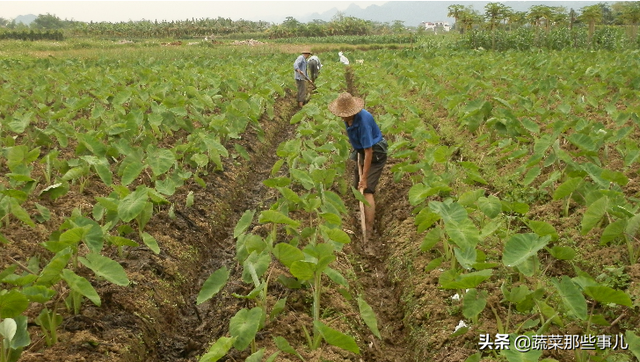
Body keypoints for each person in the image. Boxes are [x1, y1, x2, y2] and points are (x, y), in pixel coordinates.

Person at [328, 92, 388, 250]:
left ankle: (368, 231)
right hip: (362, 151)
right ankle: (360, 219)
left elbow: (369, 152)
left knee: (366, 190)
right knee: (357, 186)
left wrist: (365, 177)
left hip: (375, 153)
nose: (341, 117)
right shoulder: (348, 120)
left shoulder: (363, 122)